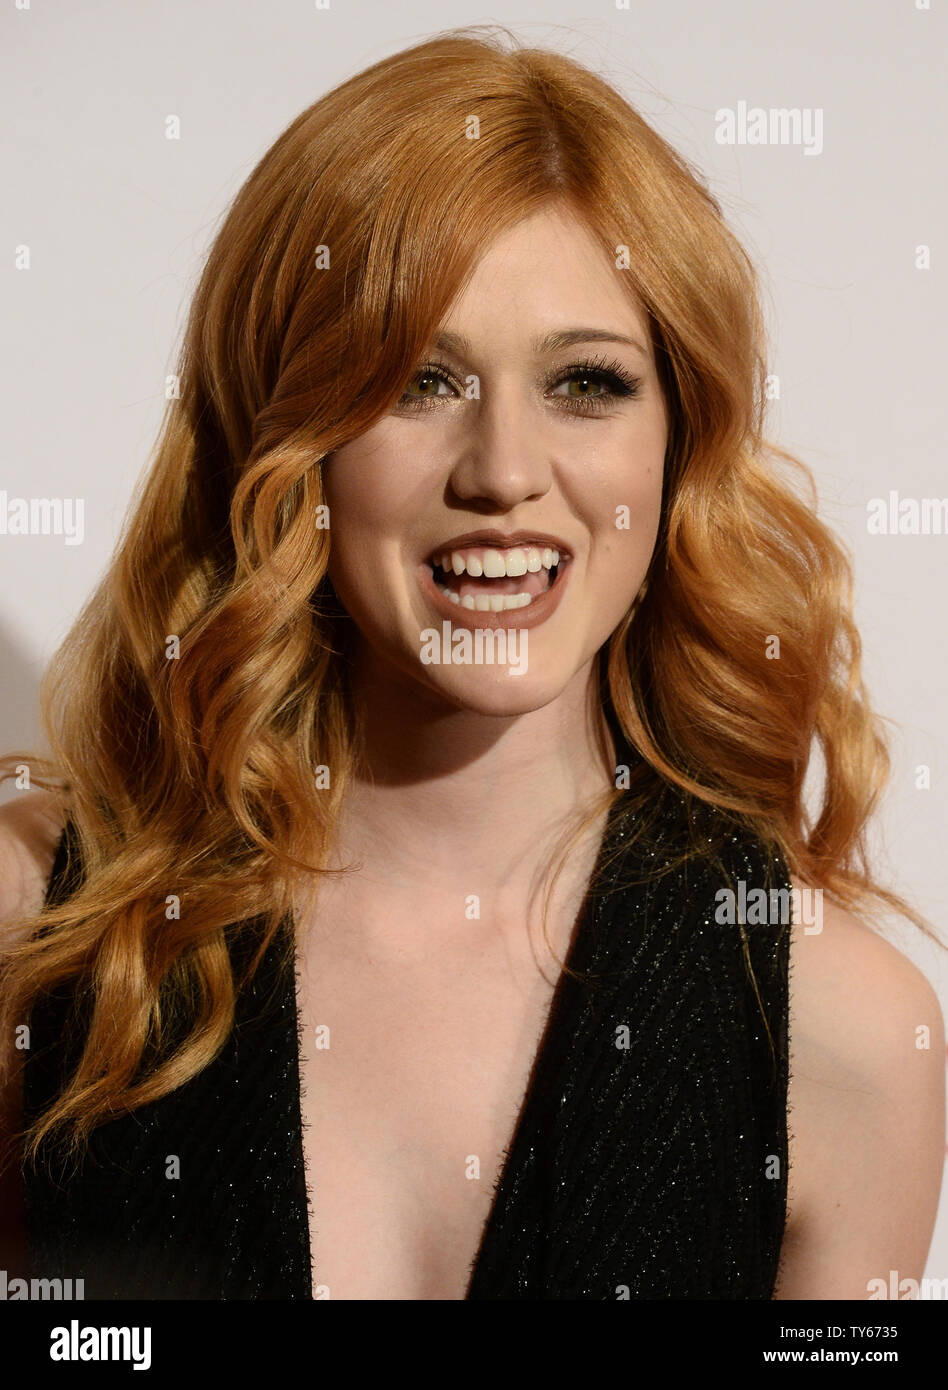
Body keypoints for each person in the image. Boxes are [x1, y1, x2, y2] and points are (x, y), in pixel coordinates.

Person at [0, 28, 943, 1302]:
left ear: (681, 442)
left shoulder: (847, 1035)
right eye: (419, 379)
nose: (503, 471)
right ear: (287, 435)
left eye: (586, 383)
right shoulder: (49, 932)